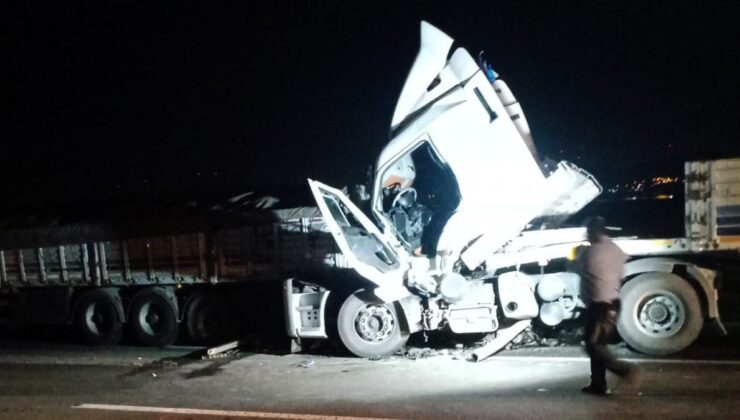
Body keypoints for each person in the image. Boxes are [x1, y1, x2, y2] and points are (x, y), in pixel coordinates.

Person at [580, 217, 643, 395]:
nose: (587, 235)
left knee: (593, 345)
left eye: (589, 231)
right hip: (613, 302)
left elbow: (576, 266)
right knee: (599, 344)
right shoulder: (616, 249)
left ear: (595, 231)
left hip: (601, 305)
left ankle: (626, 371)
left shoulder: (593, 252)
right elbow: (621, 275)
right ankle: (598, 384)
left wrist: (576, 254)